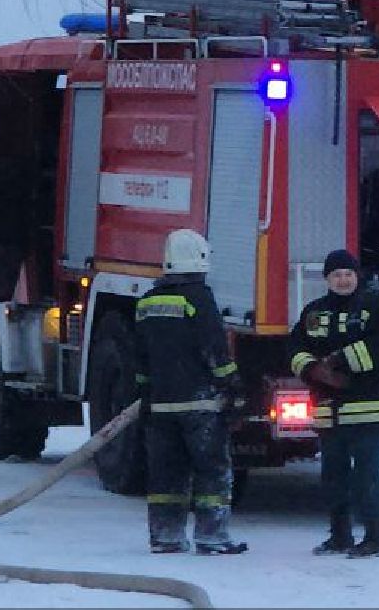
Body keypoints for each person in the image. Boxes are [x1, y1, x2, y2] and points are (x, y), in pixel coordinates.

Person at [134, 229, 249, 554]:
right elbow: (214, 347)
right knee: (212, 470)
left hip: (160, 405)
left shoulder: (147, 301)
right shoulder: (199, 298)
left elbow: (140, 356)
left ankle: (166, 536)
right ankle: (212, 537)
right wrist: (232, 384)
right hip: (200, 404)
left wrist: (144, 394)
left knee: (166, 474)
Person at [289, 249, 379, 558]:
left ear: (357, 276)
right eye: (336, 274)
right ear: (327, 279)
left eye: (348, 274)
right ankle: (340, 537)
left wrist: (339, 362)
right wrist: (312, 370)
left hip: (367, 407)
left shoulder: (374, 308)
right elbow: (295, 348)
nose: (343, 279)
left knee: (367, 478)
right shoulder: (313, 312)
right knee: (333, 477)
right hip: (329, 409)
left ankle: (376, 539)